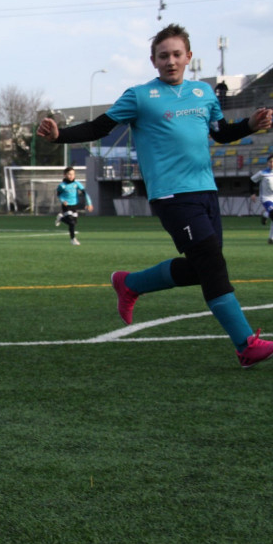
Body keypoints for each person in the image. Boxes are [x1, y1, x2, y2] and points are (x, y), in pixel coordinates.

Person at [36, 23, 273, 368]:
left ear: (188, 57)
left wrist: (250, 125)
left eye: (176, 54)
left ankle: (130, 284)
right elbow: (99, 126)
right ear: (153, 61)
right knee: (212, 264)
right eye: (163, 56)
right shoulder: (140, 96)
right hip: (172, 195)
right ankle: (246, 345)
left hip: (206, 192)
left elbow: (221, 133)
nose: (170, 61)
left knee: (200, 269)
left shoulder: (203, 93)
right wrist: (60, 135)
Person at [54, 166, 93, 245]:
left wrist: (89, 203)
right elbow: (59, 194)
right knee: (71, 223)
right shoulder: (62, 185)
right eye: (69, 174)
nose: (71, 176)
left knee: (74, 223)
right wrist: (63, 201)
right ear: (65, 175)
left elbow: (85, 193)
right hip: (66, 206)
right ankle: (73, 239)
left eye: (73, 174)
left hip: (74, 206)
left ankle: (61, 218)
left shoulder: (77, 184)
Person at [249, 153, 273, 241]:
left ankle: (271, 238)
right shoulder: (262, 173)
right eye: (270, 162)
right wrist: (252, 193)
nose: (272, 164)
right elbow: (252, 181)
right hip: (266, 198)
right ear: (267, 163)